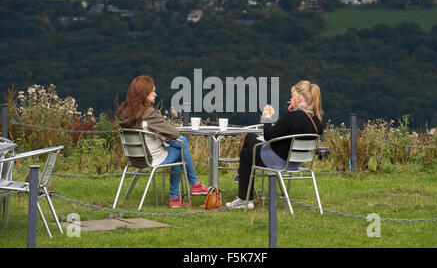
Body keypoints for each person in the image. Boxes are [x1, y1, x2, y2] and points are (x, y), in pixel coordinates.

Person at [226, 80, 324, 209]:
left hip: (278, 161)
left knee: (247, 149)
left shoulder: (293, 117)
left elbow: (269, 136)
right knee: (250, 144)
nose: (290, 99)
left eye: (293, 96)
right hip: (296, 162)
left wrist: (267, 118)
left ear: (299, 98)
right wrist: (292, 112)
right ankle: (242, 177)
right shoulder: (317, 120)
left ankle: (244, 198)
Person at [117, 75, 207, 208]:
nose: (155, 94)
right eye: (152, 91)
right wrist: (162, 135)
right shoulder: (149, 113)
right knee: (180, 144)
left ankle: (188, 190)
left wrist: (158, 135)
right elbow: (174, 133)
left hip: (134, 158)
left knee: (179, 145)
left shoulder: (124, 113)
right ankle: (190, 187)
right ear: (144, 93)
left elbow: (142, 130)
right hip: (152, 158)